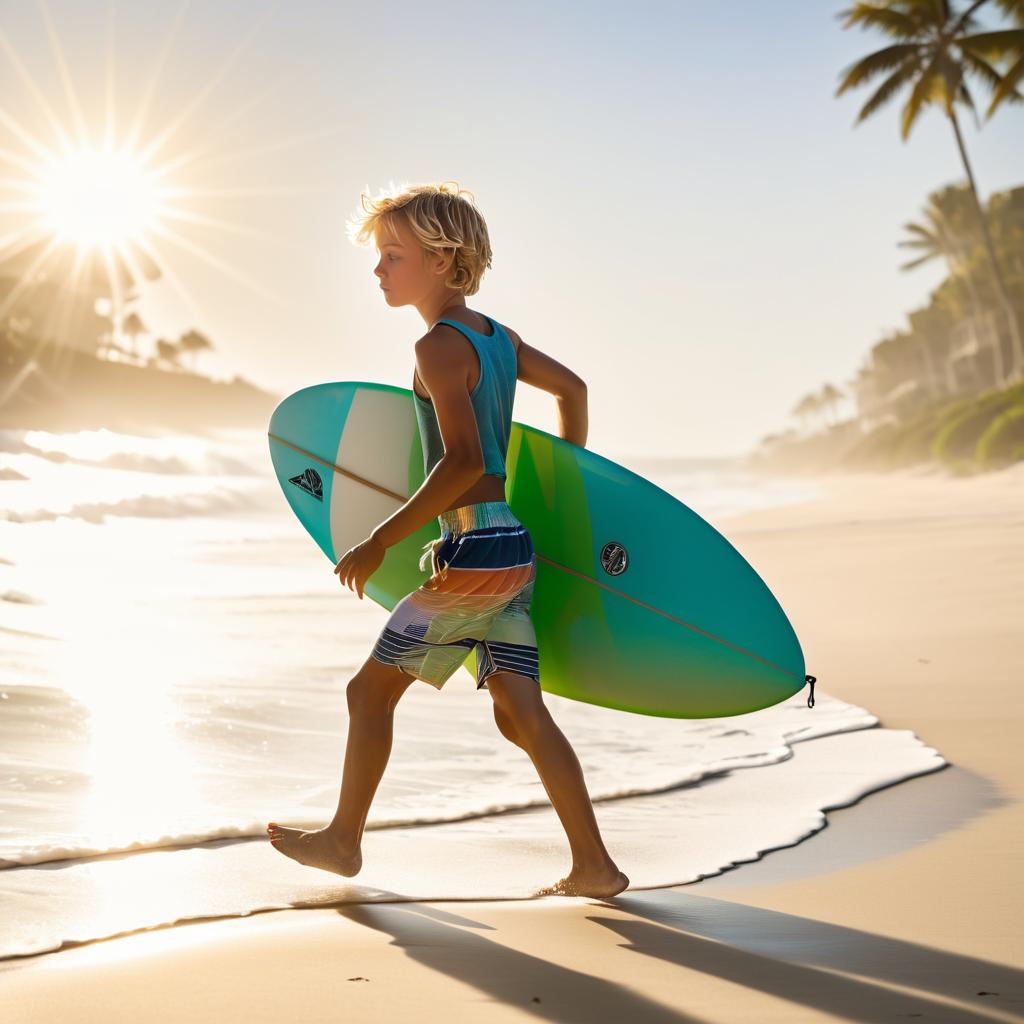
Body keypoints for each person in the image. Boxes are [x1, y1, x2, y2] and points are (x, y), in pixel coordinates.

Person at [267, 181, 628, 898]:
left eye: (393, 256)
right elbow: (575, 390)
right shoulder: (497, 339)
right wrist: (560, 484)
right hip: (512, 547)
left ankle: (343, 842)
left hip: (472, 551)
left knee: (369, 695)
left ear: (442, 259)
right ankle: (595, 866)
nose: (380, 271)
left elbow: (462, 462)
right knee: (520, 713)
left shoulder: (437, 347)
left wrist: (378, 539)